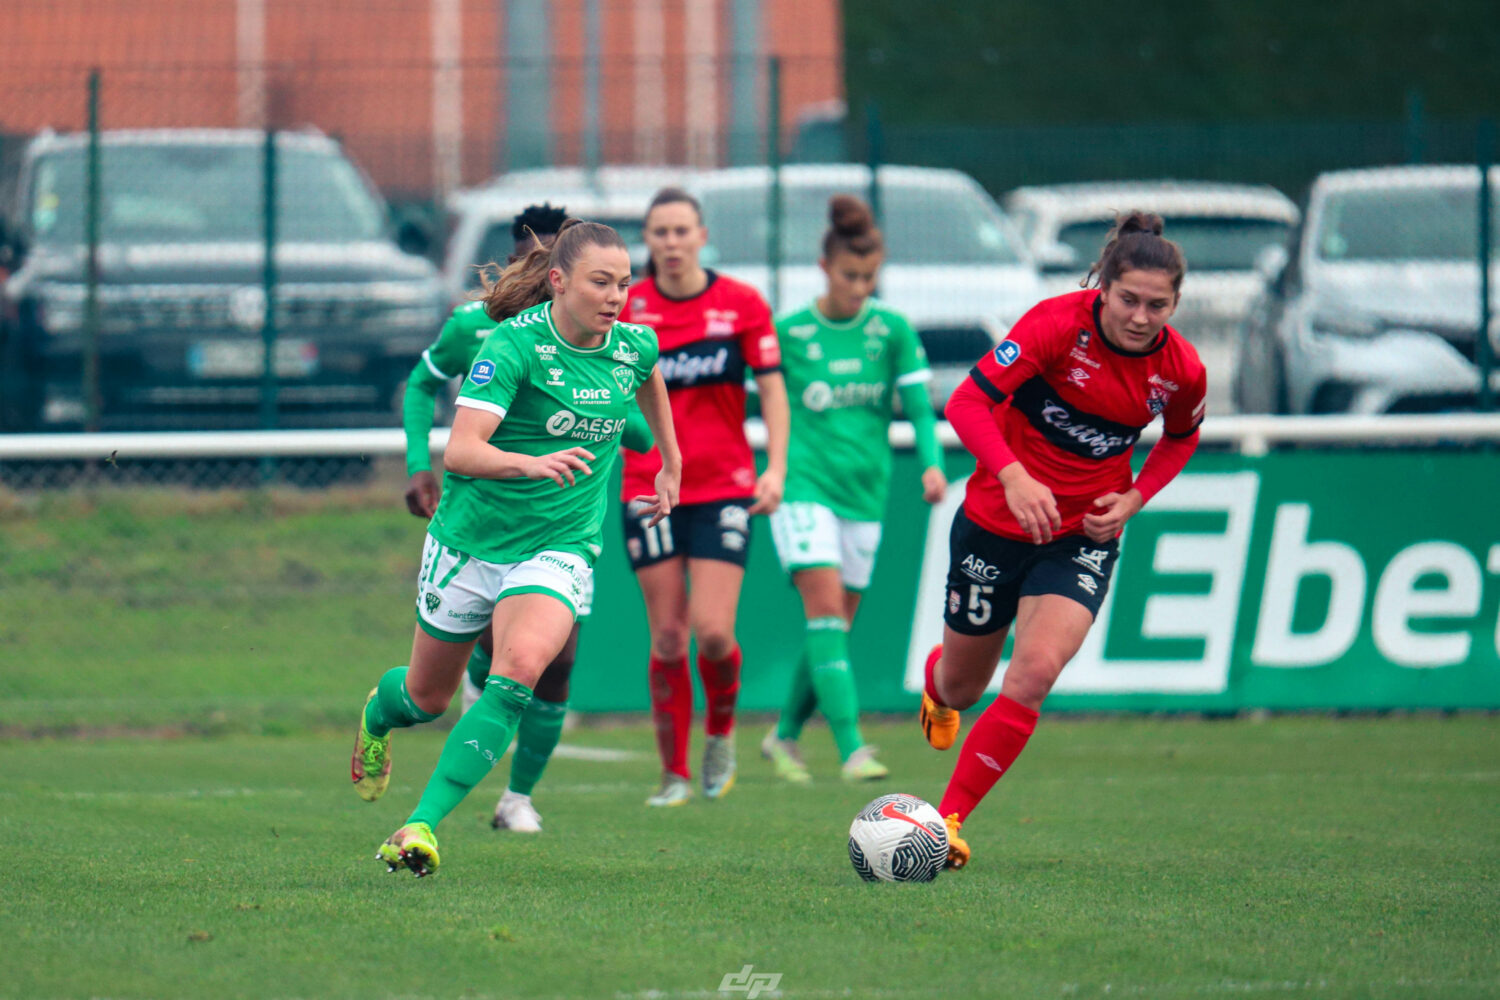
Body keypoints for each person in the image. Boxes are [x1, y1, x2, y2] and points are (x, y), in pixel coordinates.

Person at [353, 220, 680, 876]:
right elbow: (461, 451)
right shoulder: (512, 345)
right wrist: (528, 464)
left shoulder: (633, 345)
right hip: (470, 543)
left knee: (523, 667)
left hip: (560, 544)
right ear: (557, 281)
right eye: (600, 282)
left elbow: (650, 381)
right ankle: (377, 717)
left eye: (624, 284)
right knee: (425, 699)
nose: (616, 297)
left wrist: (670, 463)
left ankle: (421, 824)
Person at [919, 212, 1206, 869]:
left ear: (1175, 304)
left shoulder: (1182, 370)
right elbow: (965, 403)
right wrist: (1014, 476)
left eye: (1157, 306)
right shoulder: (1053, 326)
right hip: (995, 522)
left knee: (1035, 672)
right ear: (1103, 287)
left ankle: (947, 820)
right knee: (963, 688)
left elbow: (1182, 436)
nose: (1140, 317)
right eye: (1128, 299)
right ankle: (939, 683)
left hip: (1081, 536)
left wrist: (1135, 498)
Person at [759, 194, 946, 783]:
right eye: (849, 276)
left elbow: (919, 409)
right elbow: (759, 399)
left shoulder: (891, 330)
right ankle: (852, 748)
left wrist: (932, 464)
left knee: (835, 625)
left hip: (866, 494)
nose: (860, 288)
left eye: (869, 277)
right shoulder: (790, 332)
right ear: (824, 268)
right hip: (803, 487)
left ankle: (783, 737)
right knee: (824, 614)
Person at [619, 187, 790, 806]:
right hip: (647, 487)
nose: (670, 243)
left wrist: (776, 468)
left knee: (713, 634)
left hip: (723, 487)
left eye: (681, 231)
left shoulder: (741, 304)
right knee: (668, 636)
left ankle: (720, 732)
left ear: (702, 236)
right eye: (659, 232)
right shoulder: (628, 308)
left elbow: (773, 391)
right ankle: (674, 775)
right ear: (647, 239)